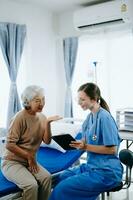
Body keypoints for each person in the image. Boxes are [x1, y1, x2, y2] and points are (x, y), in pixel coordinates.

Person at [49, 82, 123, 200]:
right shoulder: (89, 118)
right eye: (78, 99)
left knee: (62, 188)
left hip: (106, 172)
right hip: (91, 166)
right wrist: (74, 142)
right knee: (62, 177)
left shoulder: (105, 118)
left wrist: (85, 147)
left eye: (82, 100)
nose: (78, 103)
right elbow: (84, 140)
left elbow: (112, 150)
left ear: (93, 100)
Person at [1, 85, 61, 200]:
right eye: (37, 100)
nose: (42, 103)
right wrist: (29, 156)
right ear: (27, 101)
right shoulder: (19, 118)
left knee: (47, 178)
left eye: (43, 99)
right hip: (12, 162)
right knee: (31, 185)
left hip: (30, 162)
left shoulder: (42, 117)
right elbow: (9, 144)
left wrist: (48, 123)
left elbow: (47, 141)